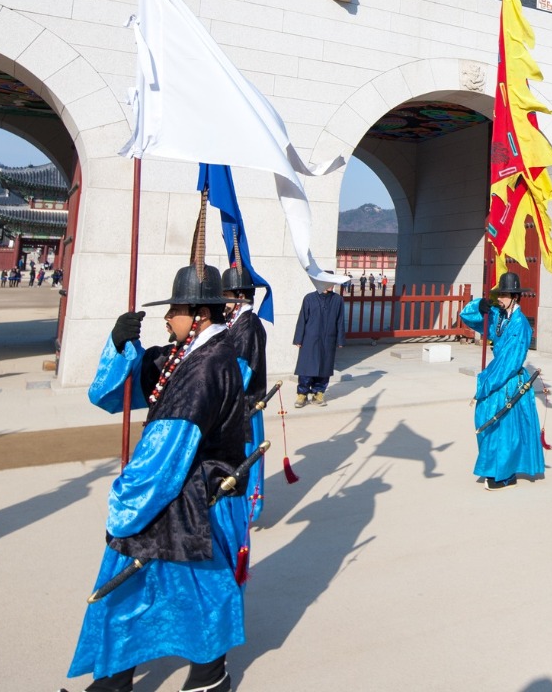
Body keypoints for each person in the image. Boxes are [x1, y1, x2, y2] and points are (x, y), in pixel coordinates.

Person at [64, 249, 250, 692]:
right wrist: (119, 344)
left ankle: (197, 676)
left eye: (175, 310)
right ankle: (127, 678)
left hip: (183, 498)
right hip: (177, 495)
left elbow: (168, 447)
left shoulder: (206, 366)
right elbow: (112, 395)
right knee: (174, 591)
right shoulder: (185, 355)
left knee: (143, 587)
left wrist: (127, 502)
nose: (167, 318)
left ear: (201, 315)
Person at [459, 272, 544, 490]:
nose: (501, 299)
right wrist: (480, 307)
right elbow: (468, 317)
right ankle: (495, 468)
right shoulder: (498, 316)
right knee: (487, 421)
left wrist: (487, 382)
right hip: (497, 375)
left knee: (505, 429)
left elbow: (510, 361)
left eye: (505, 295)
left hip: (508, 379)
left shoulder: (520, 325)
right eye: (500, 295)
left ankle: (505, 474)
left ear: (515, 296)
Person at [222, 263, 269, 520]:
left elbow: (241, 370)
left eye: (226, 295)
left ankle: (247, 509)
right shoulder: (236, 322)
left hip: (246, 405)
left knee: (245, 458)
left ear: (240, 296)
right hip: (237, 405)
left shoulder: (248, 326)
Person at [292, 283, 344, 407]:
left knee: (324, 368)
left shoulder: (338, 300)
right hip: (310, 339)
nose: (331, 286)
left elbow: (340, 320)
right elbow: (302, 319)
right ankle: (302, 394)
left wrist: (340, 340)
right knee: (306, 367)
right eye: (328, 283)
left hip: (328, 339)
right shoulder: (309, 298)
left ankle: (319, 393)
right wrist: (298, 338)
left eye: (332, 283)